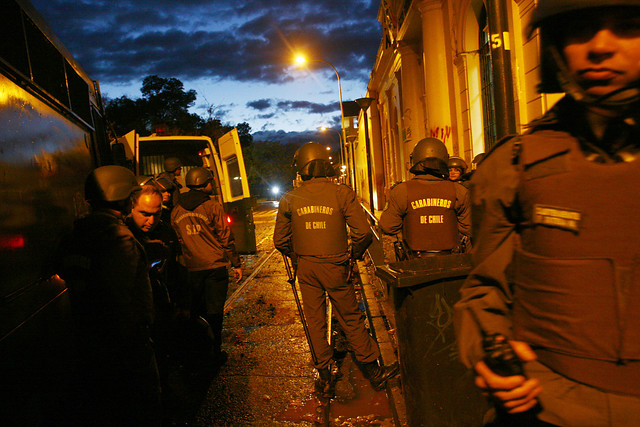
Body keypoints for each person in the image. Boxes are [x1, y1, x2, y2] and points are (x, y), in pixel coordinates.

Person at [454, 2, 640, 425]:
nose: (600, 46)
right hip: (549, 407)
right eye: (580, 31)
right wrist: (489, 348)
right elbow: (484, 288)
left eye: (627, 27)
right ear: (557, 47)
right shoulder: (517, 165)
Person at [273, 141, 399, 395]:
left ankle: (324, 374)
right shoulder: (341, 193)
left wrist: (297, 255)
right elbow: (363, 232)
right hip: (336, 264)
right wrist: (353, 254)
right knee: (350, 317)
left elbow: (280, 240)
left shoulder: (289, 198)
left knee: (315, 320)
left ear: (302, 168)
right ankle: (374, 371)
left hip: (307, 267)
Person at [57, 165, 160, 426]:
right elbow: (121, 299)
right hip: (125, 347)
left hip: (87, 339)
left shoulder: (78, 232)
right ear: (124, 198)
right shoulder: (118, 237)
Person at [171, 166, 242, 368]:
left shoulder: (177, 209)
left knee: (195, 312)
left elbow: (178, 239)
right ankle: (214, 352)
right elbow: (225, 236)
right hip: (214, 267)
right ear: (204, 184)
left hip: (191, 268)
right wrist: (236, 263)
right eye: (210, 181)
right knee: (214, 312)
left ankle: (197, 351)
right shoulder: (212, 206)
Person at [126, 184, 183, 390]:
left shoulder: (167, 231)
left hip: (161, 310)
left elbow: (177, 270)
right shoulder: (122, 235)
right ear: (130, 208)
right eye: (144, 214)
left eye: (156, 215)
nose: (150, 221)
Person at [379, 137, 471, 258]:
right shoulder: (459, 191)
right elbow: (468, 227)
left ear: (415, 160)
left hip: (413, 260)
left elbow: (388, 226)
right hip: (451, 260)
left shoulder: (401, 191)